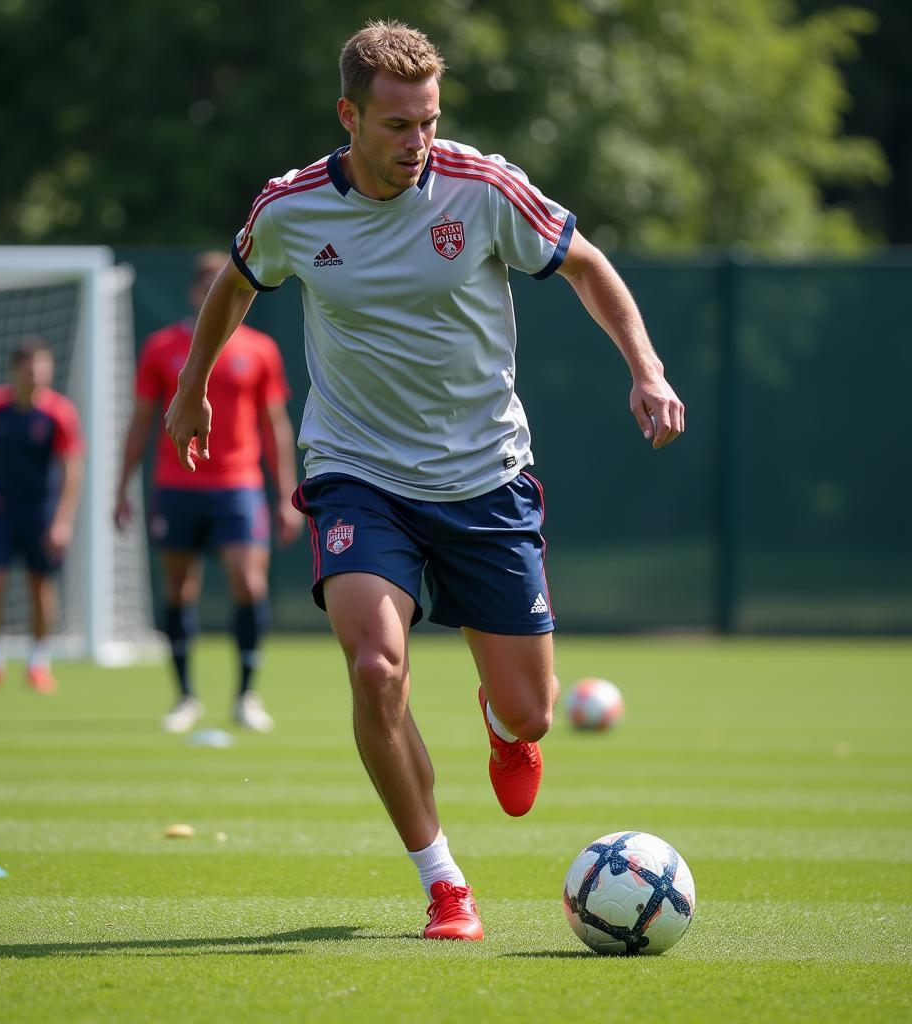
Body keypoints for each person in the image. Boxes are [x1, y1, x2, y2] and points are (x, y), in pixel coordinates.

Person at [164, 21, 685, 939]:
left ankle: (500, 717)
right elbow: (237, 287)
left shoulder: (481, 186)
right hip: (356, 472)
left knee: (533, 714)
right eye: (399, 125)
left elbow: (587, 264)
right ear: (349, 116)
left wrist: (645, 367)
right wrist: (193, 386)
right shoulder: (291, 209)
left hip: (485, 476)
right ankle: (444, 882)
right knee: (375, 669)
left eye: (430, 122)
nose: (419, 143)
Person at [114, 251, 303, 734]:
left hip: (238, 485)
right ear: (197, 292)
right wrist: (121, 487)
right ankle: (185, 697)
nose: (214, 296)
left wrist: (286, 495)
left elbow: (275, 426)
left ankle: (245, 695)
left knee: (250, 584)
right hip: (178, 484)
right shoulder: (162, 347)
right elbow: (140, 421)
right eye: (208, 287)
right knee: (179, 588)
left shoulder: (259, 349)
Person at [0, 340, 85, 694]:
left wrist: (62, 520)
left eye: (43, 368)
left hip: (41, 514)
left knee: (39, 587)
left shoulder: (58, 413)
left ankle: (37, 663)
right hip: (1, 512)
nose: (38, 375)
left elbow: (72, 468)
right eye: (31, 369)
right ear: (15, 371)